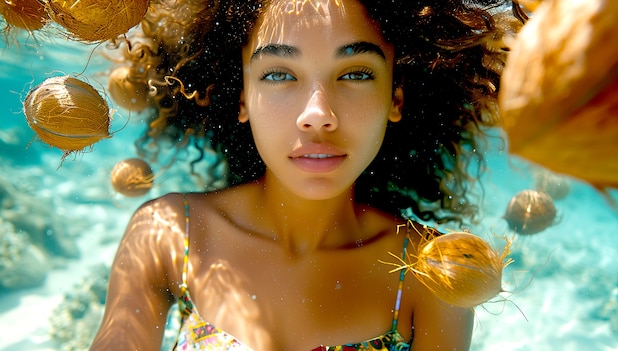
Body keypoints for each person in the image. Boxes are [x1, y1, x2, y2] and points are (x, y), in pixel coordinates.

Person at [90, 0, 516, 349]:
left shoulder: (433, 274)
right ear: (242, 97)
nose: (318, 115)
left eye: (355, 74)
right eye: (278, 74)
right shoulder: (169, 233)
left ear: (395, 96)